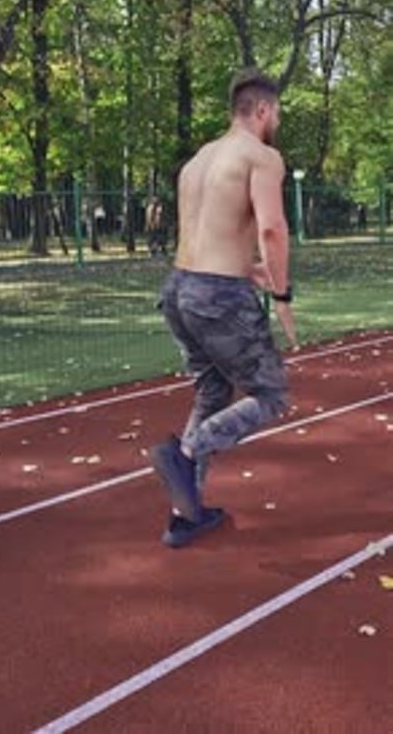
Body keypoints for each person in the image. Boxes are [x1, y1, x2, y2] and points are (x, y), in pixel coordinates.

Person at [150, 68, 297, 548]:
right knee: (271, 394)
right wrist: (281, 294)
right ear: (263, 110)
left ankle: (185, 514)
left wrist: (243, 266)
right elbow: (271, 229)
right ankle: (186, 451)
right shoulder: (261, 156)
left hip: (179, 289)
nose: (277, 123)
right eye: (277, 114)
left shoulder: (199, 160)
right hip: (217, 296)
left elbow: (208, 234)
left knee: (212, 393)